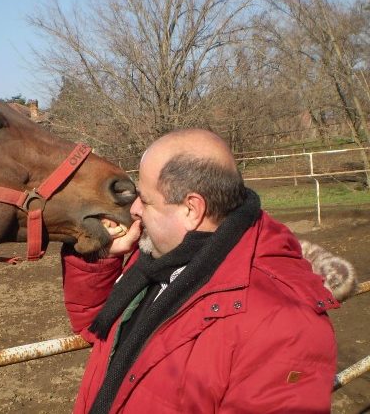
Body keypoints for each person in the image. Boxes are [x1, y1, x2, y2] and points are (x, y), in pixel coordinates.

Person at [62, 128, 339, 413]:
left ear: (192, 209)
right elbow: (97, 328)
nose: (133, 209)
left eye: (145, 200)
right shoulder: (156, 257)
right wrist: (101, 260)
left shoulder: (285, 327)